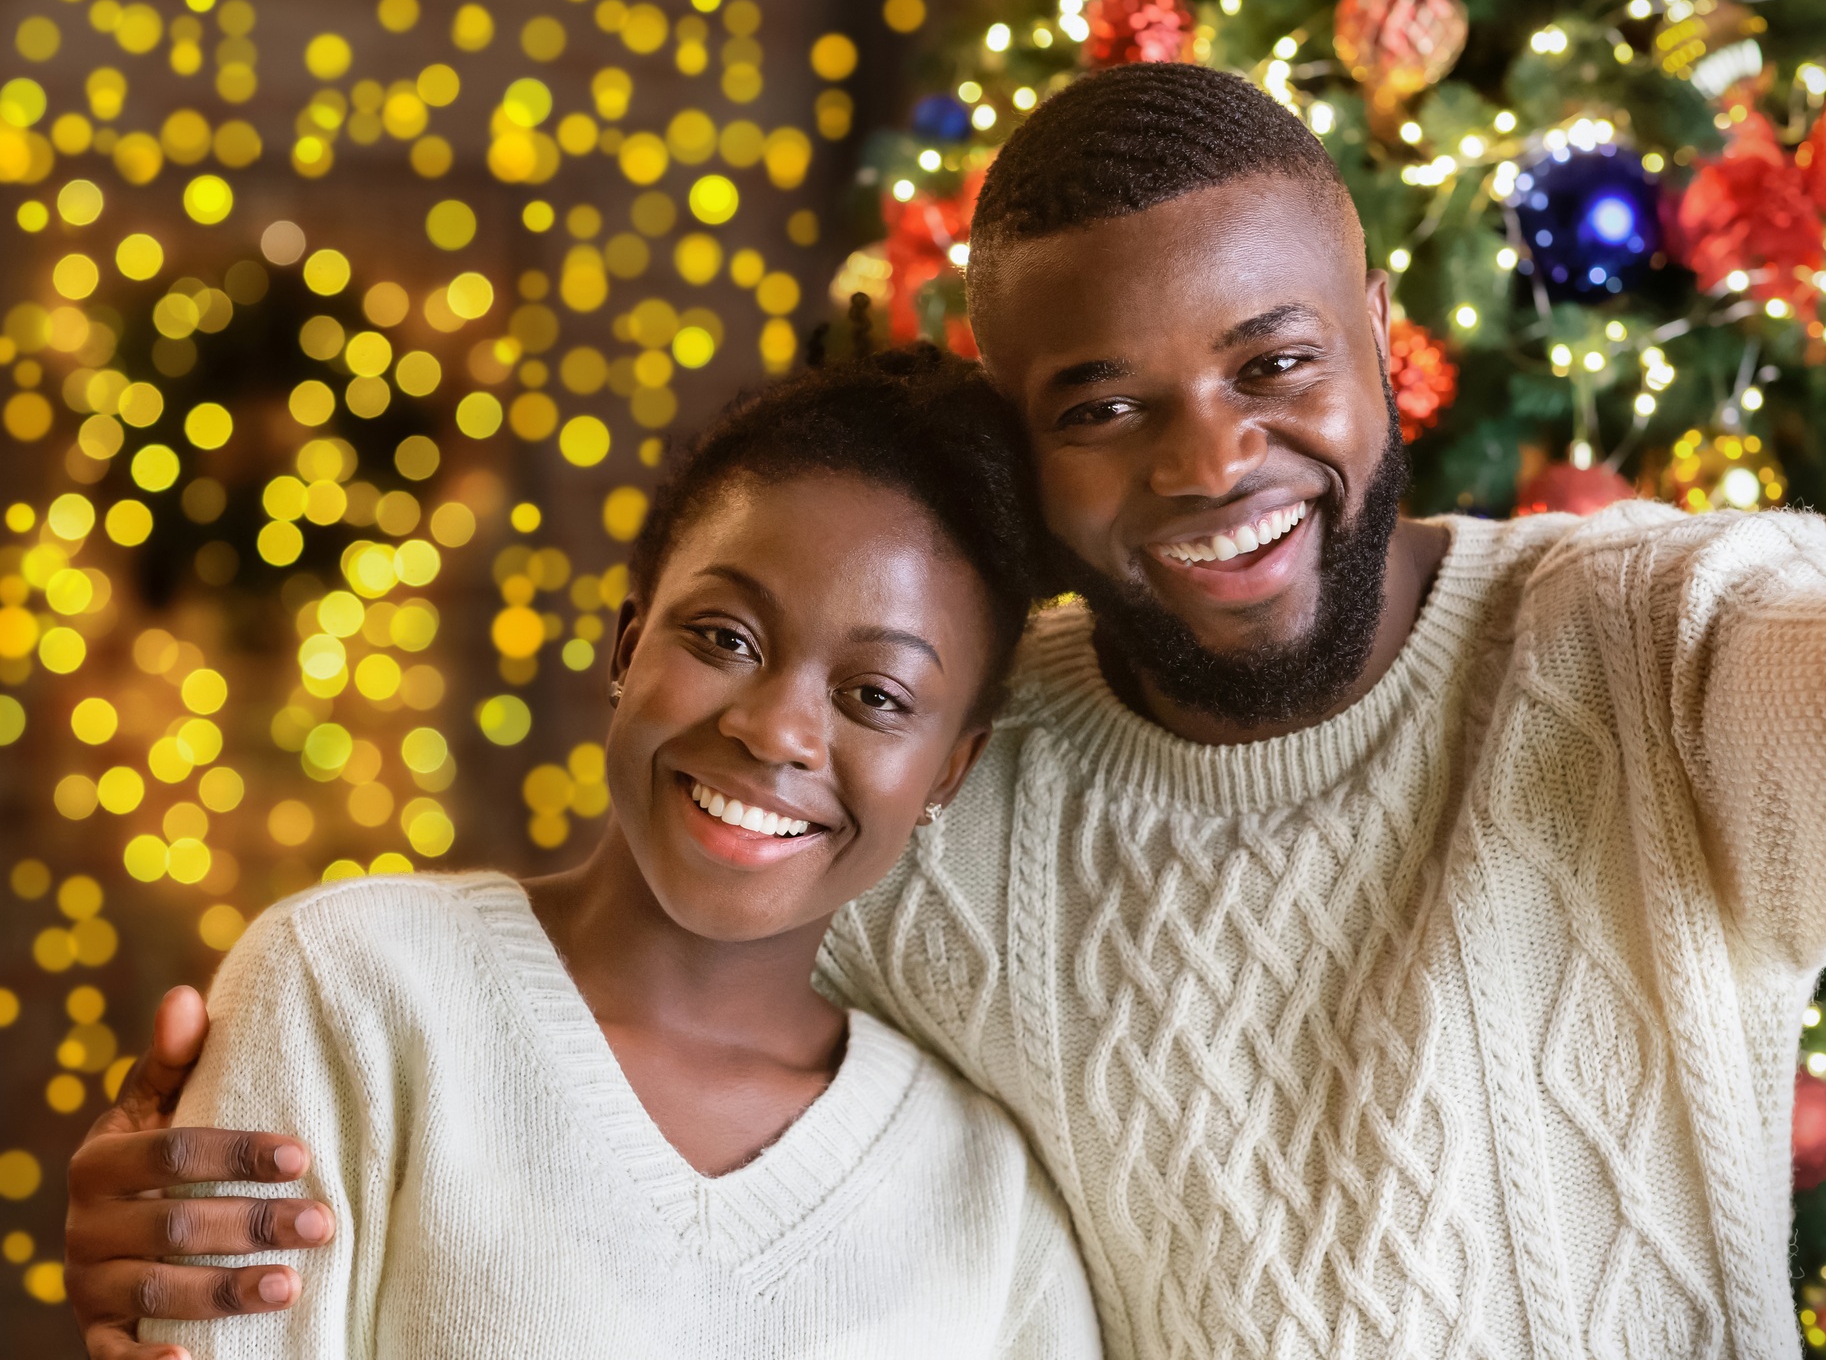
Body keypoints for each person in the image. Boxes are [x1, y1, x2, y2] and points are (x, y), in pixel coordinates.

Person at [68, 63, 1826, 1359]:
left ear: (1381, 340)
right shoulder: (972, 772)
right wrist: (213, 1127)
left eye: (1277, 361)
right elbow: (614, 958)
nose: (1213, 457)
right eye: (1102, 404)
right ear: (1023, 437)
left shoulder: (1657, 645)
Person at [101, 348, 1102, 1359]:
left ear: (947, 772)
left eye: (876, 696)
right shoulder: (349, 986)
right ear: (627, 647)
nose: (774, 729)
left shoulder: (988, 1199)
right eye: (725, 637)